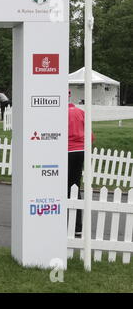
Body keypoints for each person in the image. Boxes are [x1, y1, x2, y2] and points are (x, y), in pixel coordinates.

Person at [68, 90, 94, 237]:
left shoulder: (58, 113)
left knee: (64, 187)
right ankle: (77, 225)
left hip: (66, 151)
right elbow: (90, 136)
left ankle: (67, 222)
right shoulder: (80, 112)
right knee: (75, 187)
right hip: (80, 151)